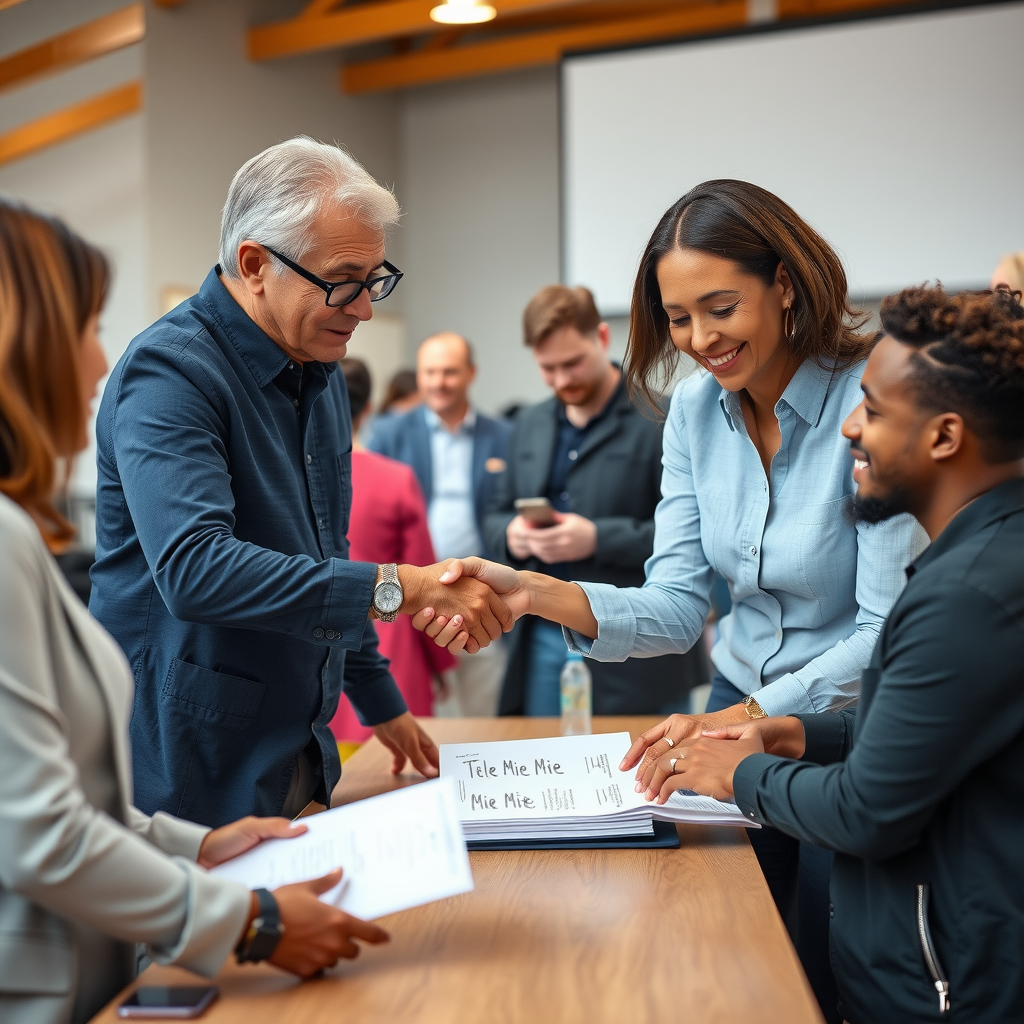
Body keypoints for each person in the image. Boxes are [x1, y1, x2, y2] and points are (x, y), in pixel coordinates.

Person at [415, 180, 926, 1021]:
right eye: (679, 318)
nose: (700, 340)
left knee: (830, 970)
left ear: (786, 283)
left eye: (720, 307)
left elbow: (881, 636)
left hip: (846, 735)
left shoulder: (870, 399)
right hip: (733, 711)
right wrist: (536, 592)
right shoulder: (693, 411)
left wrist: (751, 716)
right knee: (719, 951)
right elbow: (678, 605)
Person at [0, 199, 390, 1024]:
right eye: (87, 326)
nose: (103, 357)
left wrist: (197, 849)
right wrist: (250, 921)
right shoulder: (167, 371)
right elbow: (40, 837)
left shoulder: (316, 378)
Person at [89, 137, 512, 828]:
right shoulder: (169, 373)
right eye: (345, 280)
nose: (365, 308)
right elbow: (196, 570)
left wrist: (380, 701)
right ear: (255, 265)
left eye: (376, 279)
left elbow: (322, 554)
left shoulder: (318, 373)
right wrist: (400, 586)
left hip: (297, 741)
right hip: (189, 760)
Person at [657, 285, 1024, 1024]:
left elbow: (868, 811)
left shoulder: (969, 595)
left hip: (946, 987)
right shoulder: (982, 557)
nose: (851, 429)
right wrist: (794, 732)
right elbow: (920, 732)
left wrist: (742, 772)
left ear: (946, 437)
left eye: (877, 413)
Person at [483, 284, 709, 716]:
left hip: (642, 646)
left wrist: (597, 539)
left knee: (643, 773)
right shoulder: (528, 424)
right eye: (548, 369)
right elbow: (494, 514)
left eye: (572, 363)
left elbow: (693, 540)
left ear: (602, 339)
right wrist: (512, 534)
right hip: (543, 636)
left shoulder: (661, 419)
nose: (562, 380)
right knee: (548, 765)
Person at [370, 332, 512, 717]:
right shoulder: (388, 433)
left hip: (486, 592)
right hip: (416, 598)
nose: (438, 382)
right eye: (429, 372)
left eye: (449, 372)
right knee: (432, 716)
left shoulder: (504, 437)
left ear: (471, 374)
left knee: (485, 709)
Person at [329, 358, 456, 741]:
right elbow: (426, 585)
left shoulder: (290, 486)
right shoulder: (396, 481)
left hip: (322, 653)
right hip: (390, 651)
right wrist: (440, 663)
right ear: (368, 409)